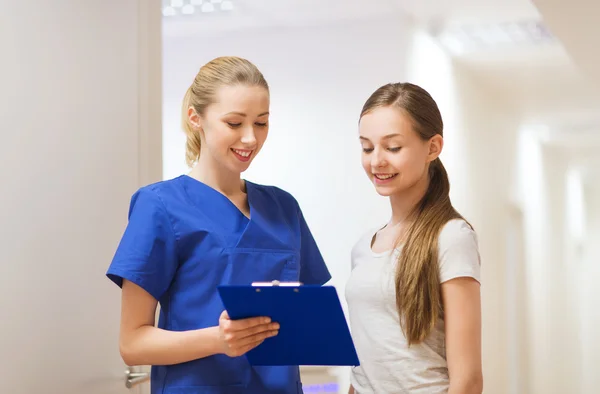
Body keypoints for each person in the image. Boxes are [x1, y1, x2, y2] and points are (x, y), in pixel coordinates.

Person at [106, 56, 331, 394]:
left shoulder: (284, 207)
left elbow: (305, 320)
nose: (250, 138)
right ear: (196, 118)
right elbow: (133, 343)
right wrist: (218, 339)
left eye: (261, 123)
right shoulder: (161, 206)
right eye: (234, 123)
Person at [345, 82, 483, 394]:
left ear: (433, 147)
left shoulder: (451, 237)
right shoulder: (363, 249)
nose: (376, 160)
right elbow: (364, 370)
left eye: (392, 147)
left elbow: (468, 381)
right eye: (367, 147)